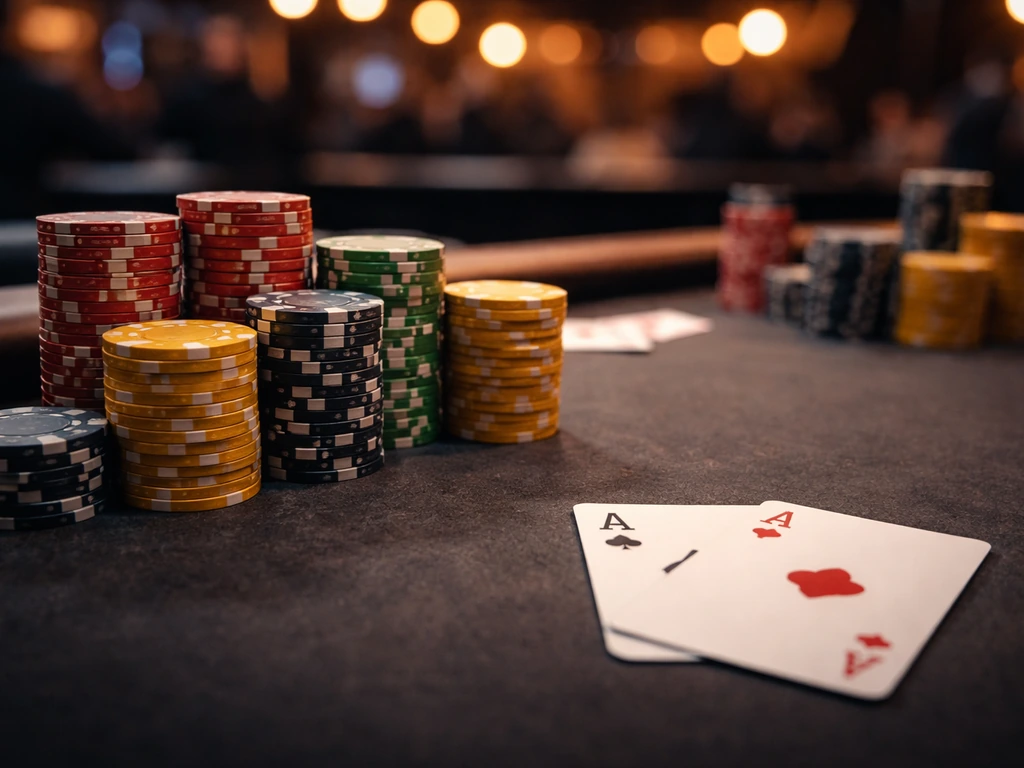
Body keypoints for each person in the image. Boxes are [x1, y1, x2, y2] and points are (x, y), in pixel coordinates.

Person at [0, 0, 134, 219]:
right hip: (19, 226)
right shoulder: (37, 94)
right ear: (9, 27)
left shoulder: (37, 92)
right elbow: (110, 147)